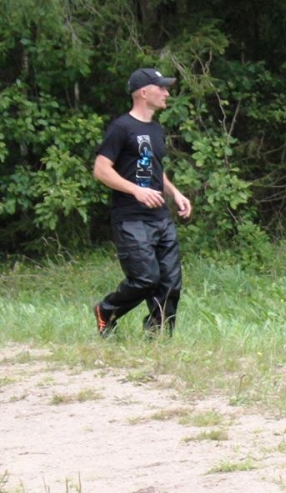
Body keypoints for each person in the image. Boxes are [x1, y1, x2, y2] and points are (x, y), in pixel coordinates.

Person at [92, 68, 192, 338]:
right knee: (146, 279)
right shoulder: (121, 128)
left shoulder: (157, 130)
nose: (167, 93)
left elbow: (154, 169)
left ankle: (157, 338)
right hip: (131, 219)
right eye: (161, 88)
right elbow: (101, 169)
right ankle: (106, 311)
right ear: (143, 92)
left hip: (160, 217)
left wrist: (175, 193)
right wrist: (135, 190)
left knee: (171, 282)